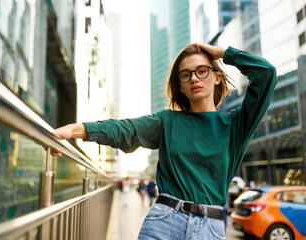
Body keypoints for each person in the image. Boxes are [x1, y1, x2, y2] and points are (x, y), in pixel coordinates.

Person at [50, 43, 277, 239]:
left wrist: (222, 53)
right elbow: (125, 129)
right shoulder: (167, 121)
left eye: (202, 71)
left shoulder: (235, 125)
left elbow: (266, 73)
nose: (194, 78)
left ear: (217, 77)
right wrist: (74, 130)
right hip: (165, 222)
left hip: (211, 229)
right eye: (186, 74)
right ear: (181, 85)